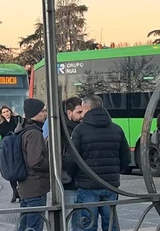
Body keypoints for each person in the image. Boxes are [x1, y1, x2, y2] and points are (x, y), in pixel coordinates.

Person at [66, 95, 130, 231]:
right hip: (110, 185)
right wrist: (113, 172)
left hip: (87, 185)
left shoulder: (80, 130)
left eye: (82, 110)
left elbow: (72, 159)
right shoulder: (116, 128)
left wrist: (76, 175)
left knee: (87, 224)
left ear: (87, 108)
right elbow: (126, 158)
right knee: (111, 223)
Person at [16, 98, 50, 231]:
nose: (45, 114)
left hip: (25, 185)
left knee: (24, 225)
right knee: (34, 226)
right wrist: (52, 163)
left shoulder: (22, 129)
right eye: (42, 111)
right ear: (35, 112)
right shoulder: (34, 133)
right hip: (36, 185)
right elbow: (35, 161)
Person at [61, 96, 84, 230]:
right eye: (78, 112)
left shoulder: (81, 128)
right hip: (70, 182)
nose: (82, 116)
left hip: (81, 182)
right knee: (70, 221)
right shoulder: (63, 130)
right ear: (69, 113)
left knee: (80, 222)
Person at [0, 105, 22, 203]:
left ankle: (19, 191)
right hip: (8, 150)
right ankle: (14, 191)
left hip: (17, 148)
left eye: (7, 111)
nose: (6, 113)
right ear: (1, 114)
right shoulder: (1, 125)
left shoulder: (16, 121)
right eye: (4, 112)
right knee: (11, 171)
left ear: (10, 111)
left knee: (18, 169)